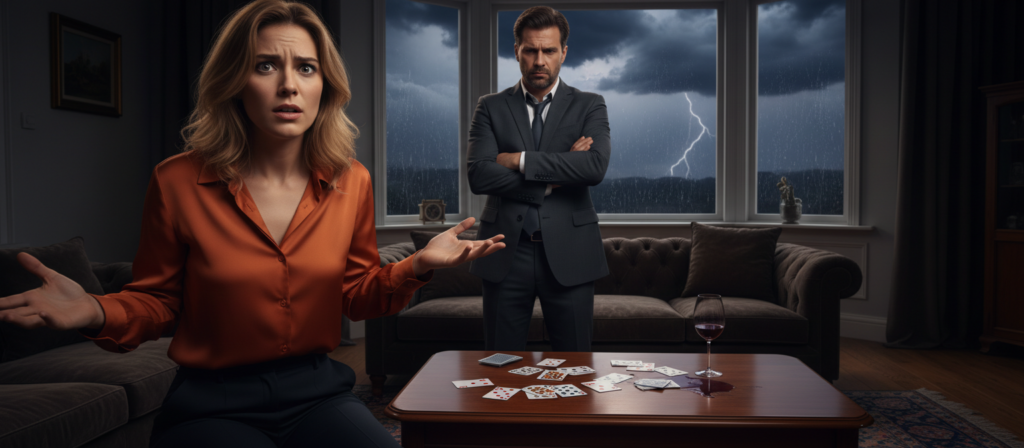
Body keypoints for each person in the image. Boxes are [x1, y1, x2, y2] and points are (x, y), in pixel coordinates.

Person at [0, 1, 504, 447]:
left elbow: (355, 295)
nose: (289, 84)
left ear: (324, 85)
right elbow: (158, 301)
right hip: (211, 400)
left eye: (306, 68)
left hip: (317, 392)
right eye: (266, 65)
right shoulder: (176, 180)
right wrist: (92, 309)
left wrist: (417, 265)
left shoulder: (353, 181)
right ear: (236, 80)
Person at [467, 6, 610, 352]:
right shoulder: (490, 107)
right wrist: (553, 178)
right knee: (500, 366)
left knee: (576, 368)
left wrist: (518, 160)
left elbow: (593, 168)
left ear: (563, 52)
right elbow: (479, 174)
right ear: (517, 51)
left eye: (548, 50)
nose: (539, 61)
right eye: (530, 50)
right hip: (504, 251)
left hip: (571, 253)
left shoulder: (590, 105)